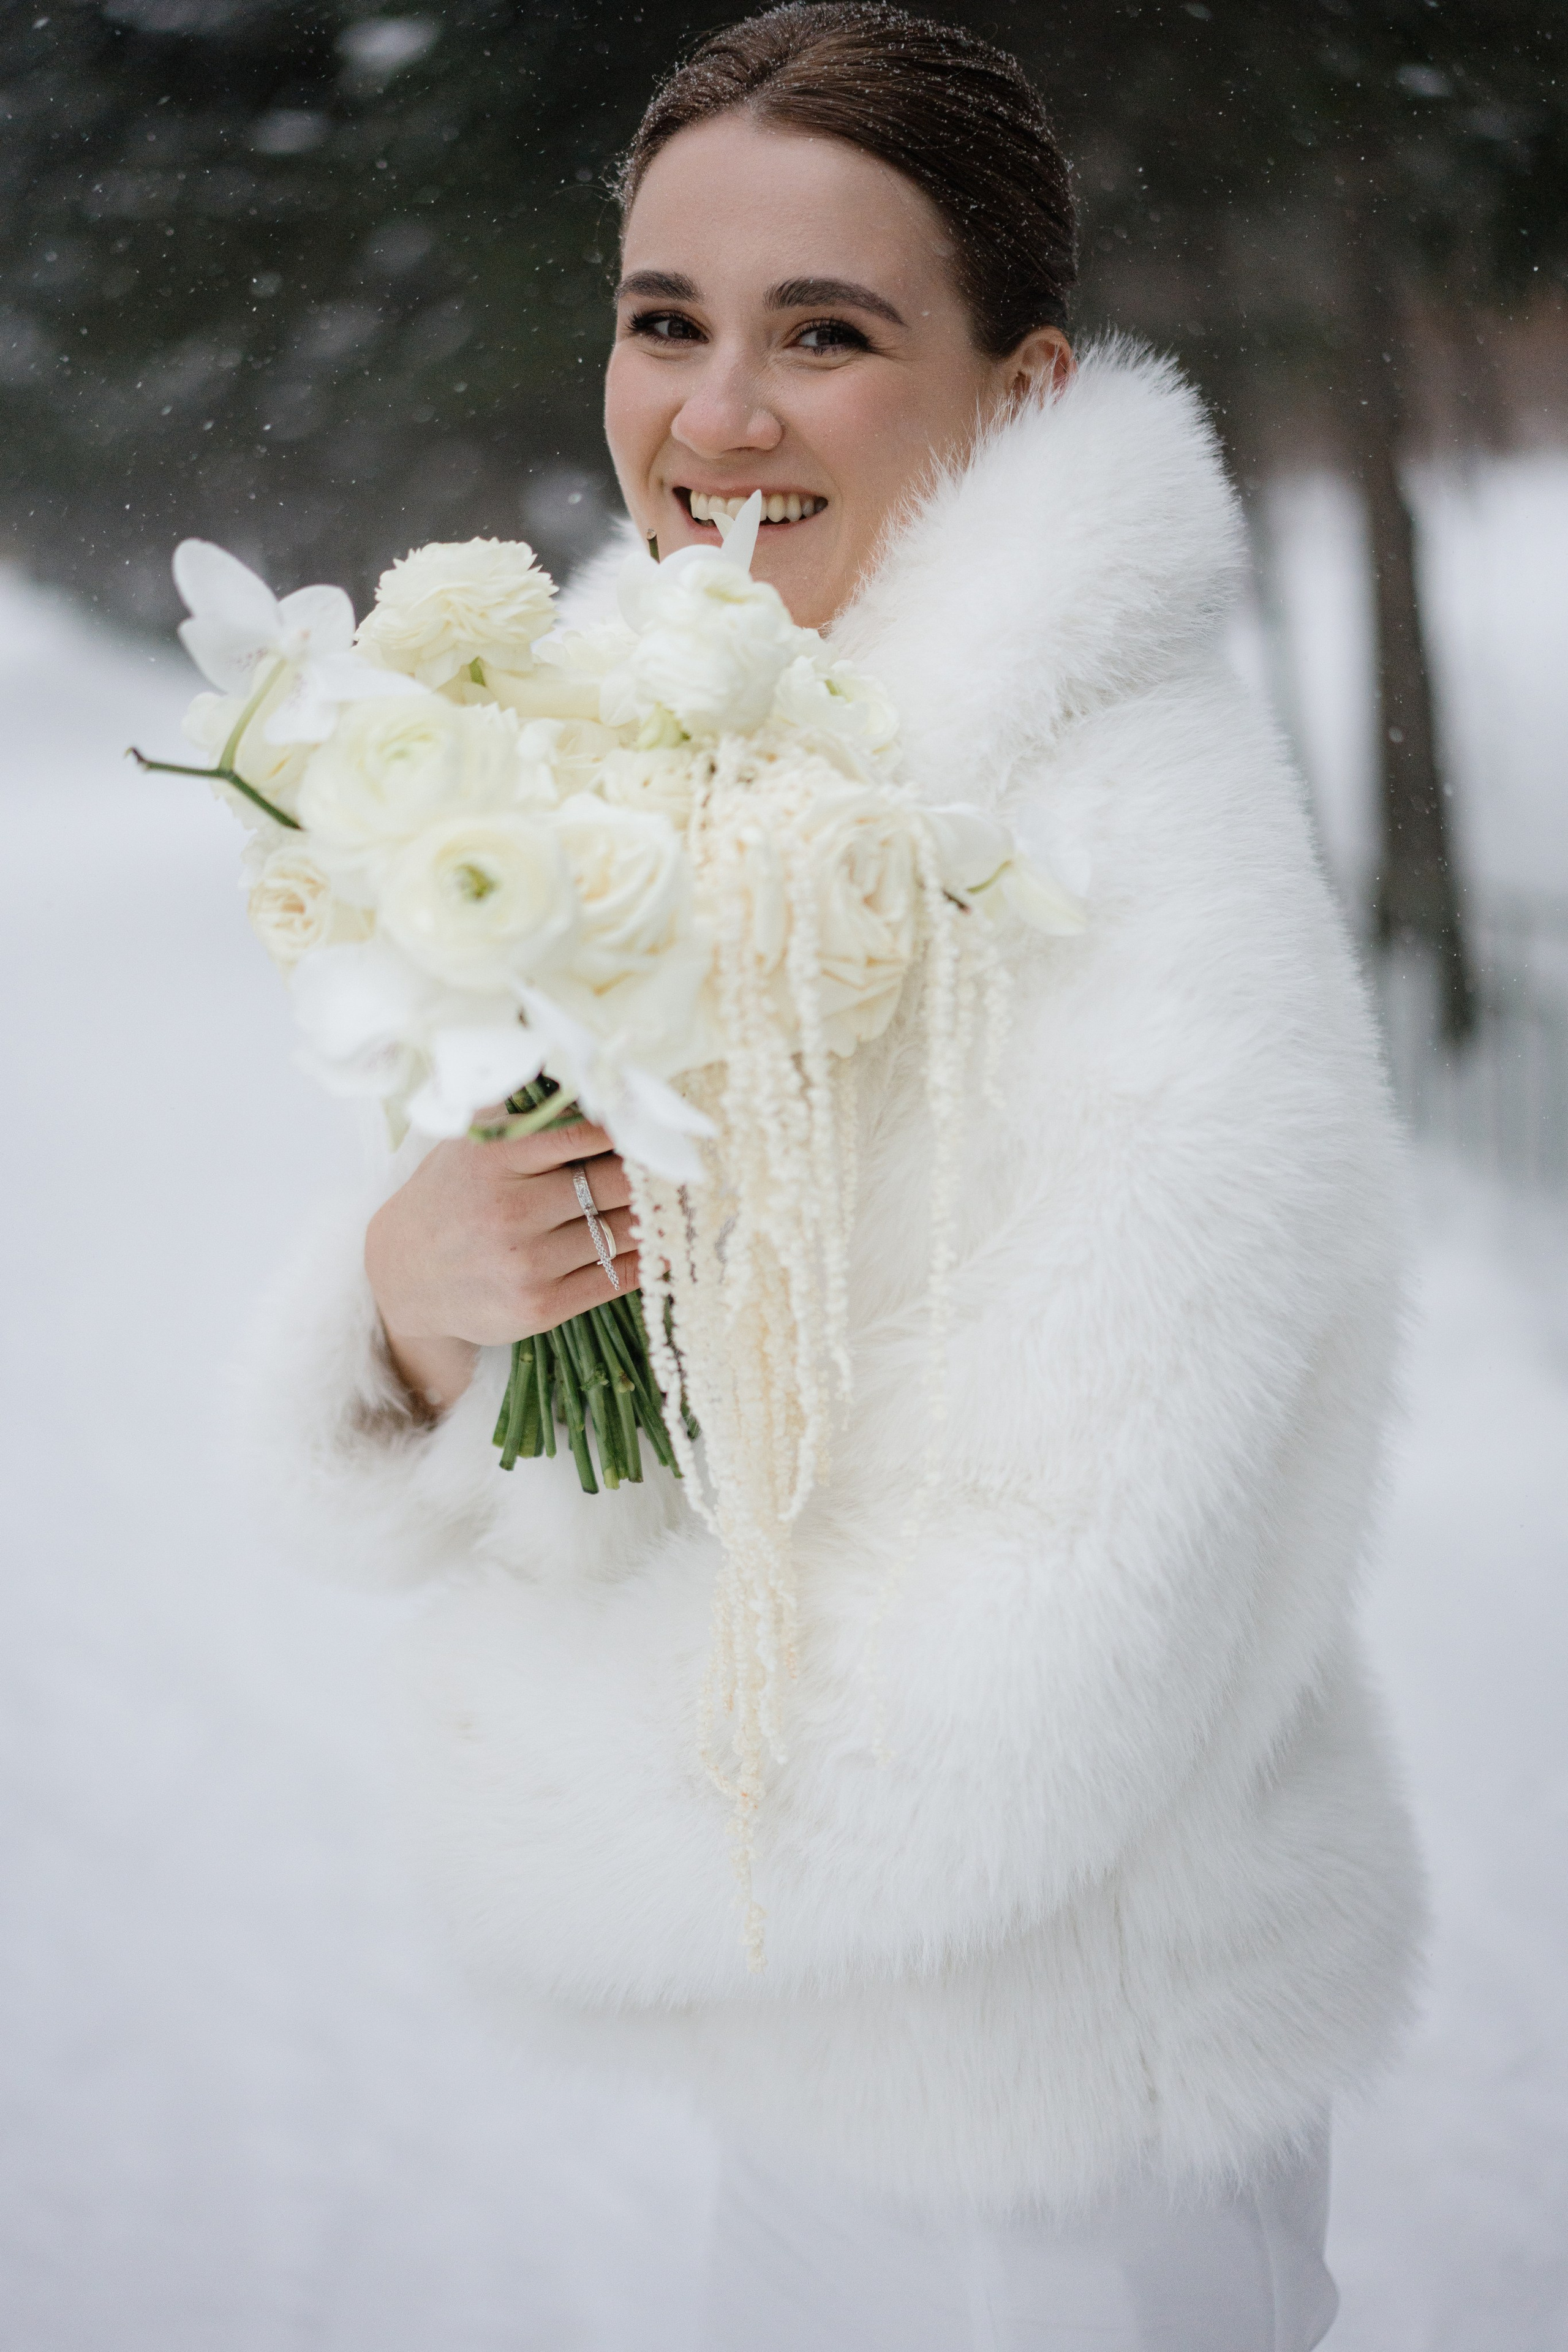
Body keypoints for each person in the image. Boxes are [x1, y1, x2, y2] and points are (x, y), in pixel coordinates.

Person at [244, 7, 1427, 2344]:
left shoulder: (1103, 843)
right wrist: (410, 1310)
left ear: (1020, 382)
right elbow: (638, 1407)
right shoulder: (669, 765)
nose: (715, 416)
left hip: (1060, 2086)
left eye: (828, 334)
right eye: (666, 320)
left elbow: (1074, 1625)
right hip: (835, 2067)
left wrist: (554, 1797)